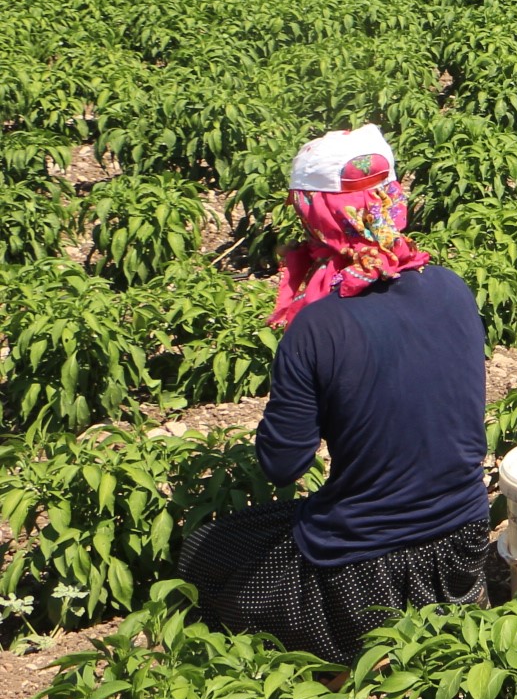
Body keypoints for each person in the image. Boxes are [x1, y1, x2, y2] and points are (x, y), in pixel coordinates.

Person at [176, 126, 492, 663]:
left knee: (204, 551)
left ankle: (337, 655)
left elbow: (282, 465)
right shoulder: (451, 286)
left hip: (364, 571)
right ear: (391, 202)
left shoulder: (319, 326)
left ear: (314, 215)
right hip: (464, 542)